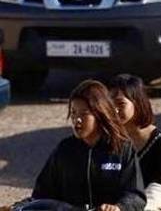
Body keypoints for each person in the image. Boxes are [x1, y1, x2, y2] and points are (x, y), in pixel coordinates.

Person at [4, 80, 146, 211]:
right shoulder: (65, 149)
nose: (77, 119)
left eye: (84, 114)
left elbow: (136, 196)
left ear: (100, 114)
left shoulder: (122, 148)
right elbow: (42, 197)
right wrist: (16, 207)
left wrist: (119, 207)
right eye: (73, 113)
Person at [108, 75, 161, 211]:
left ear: (137, 103)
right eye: (109, 105)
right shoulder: (108, 138)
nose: (114, 110)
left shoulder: (160, 142)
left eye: (120, 104)